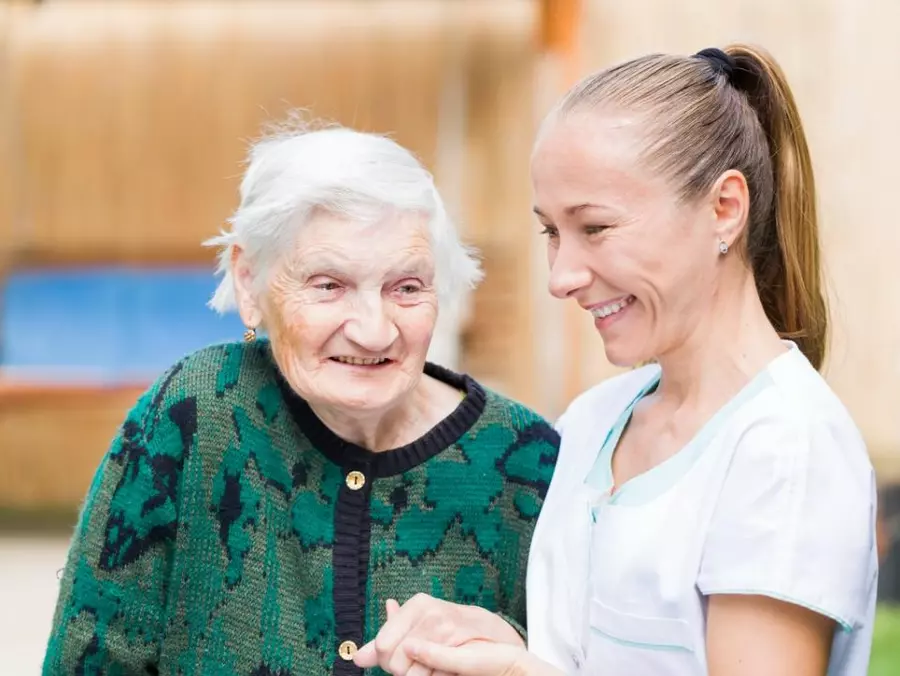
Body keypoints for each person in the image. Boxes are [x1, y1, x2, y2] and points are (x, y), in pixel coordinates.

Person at [353, 44, 878, 676]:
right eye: (552, 232)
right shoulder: (592, 420)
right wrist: (497, 646)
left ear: (724, 209)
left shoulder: (787, 449)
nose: (561, 277)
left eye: (595, 228)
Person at [41, 120, 561, 675]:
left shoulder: (530, 460)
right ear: (249, 282)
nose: (373, 331)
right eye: (328, 285)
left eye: (406, 287)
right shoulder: (194, 414)